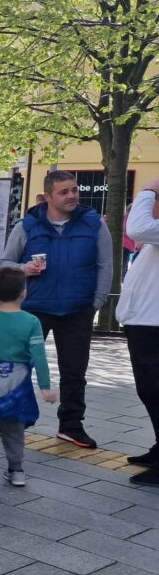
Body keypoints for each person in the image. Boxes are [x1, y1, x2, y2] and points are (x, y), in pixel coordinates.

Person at [1, 169, 113, 449]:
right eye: (64, 192)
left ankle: (71, 425)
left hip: (78, 310)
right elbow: (5, 263)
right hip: (35, 309)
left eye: (74, 189)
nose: (72, 195)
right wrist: (23, 268)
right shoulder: (27, 226)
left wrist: (96, 302)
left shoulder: (93, 224)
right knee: (19, 365)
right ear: (47, 196)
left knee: (74, 372)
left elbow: (105, 265)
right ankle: (13, 418)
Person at [0, 267, 57, 491]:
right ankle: (16, 471)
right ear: (23, 293)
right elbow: (39, 356)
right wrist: (45, 387)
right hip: (18, 381)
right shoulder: (31, 322)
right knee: (14, 426)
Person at [117, 179, 159, 486]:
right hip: (145, 324)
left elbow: (137, 228)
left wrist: (149, 188)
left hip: (153, 326)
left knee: (155, 391)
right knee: (150, 391)